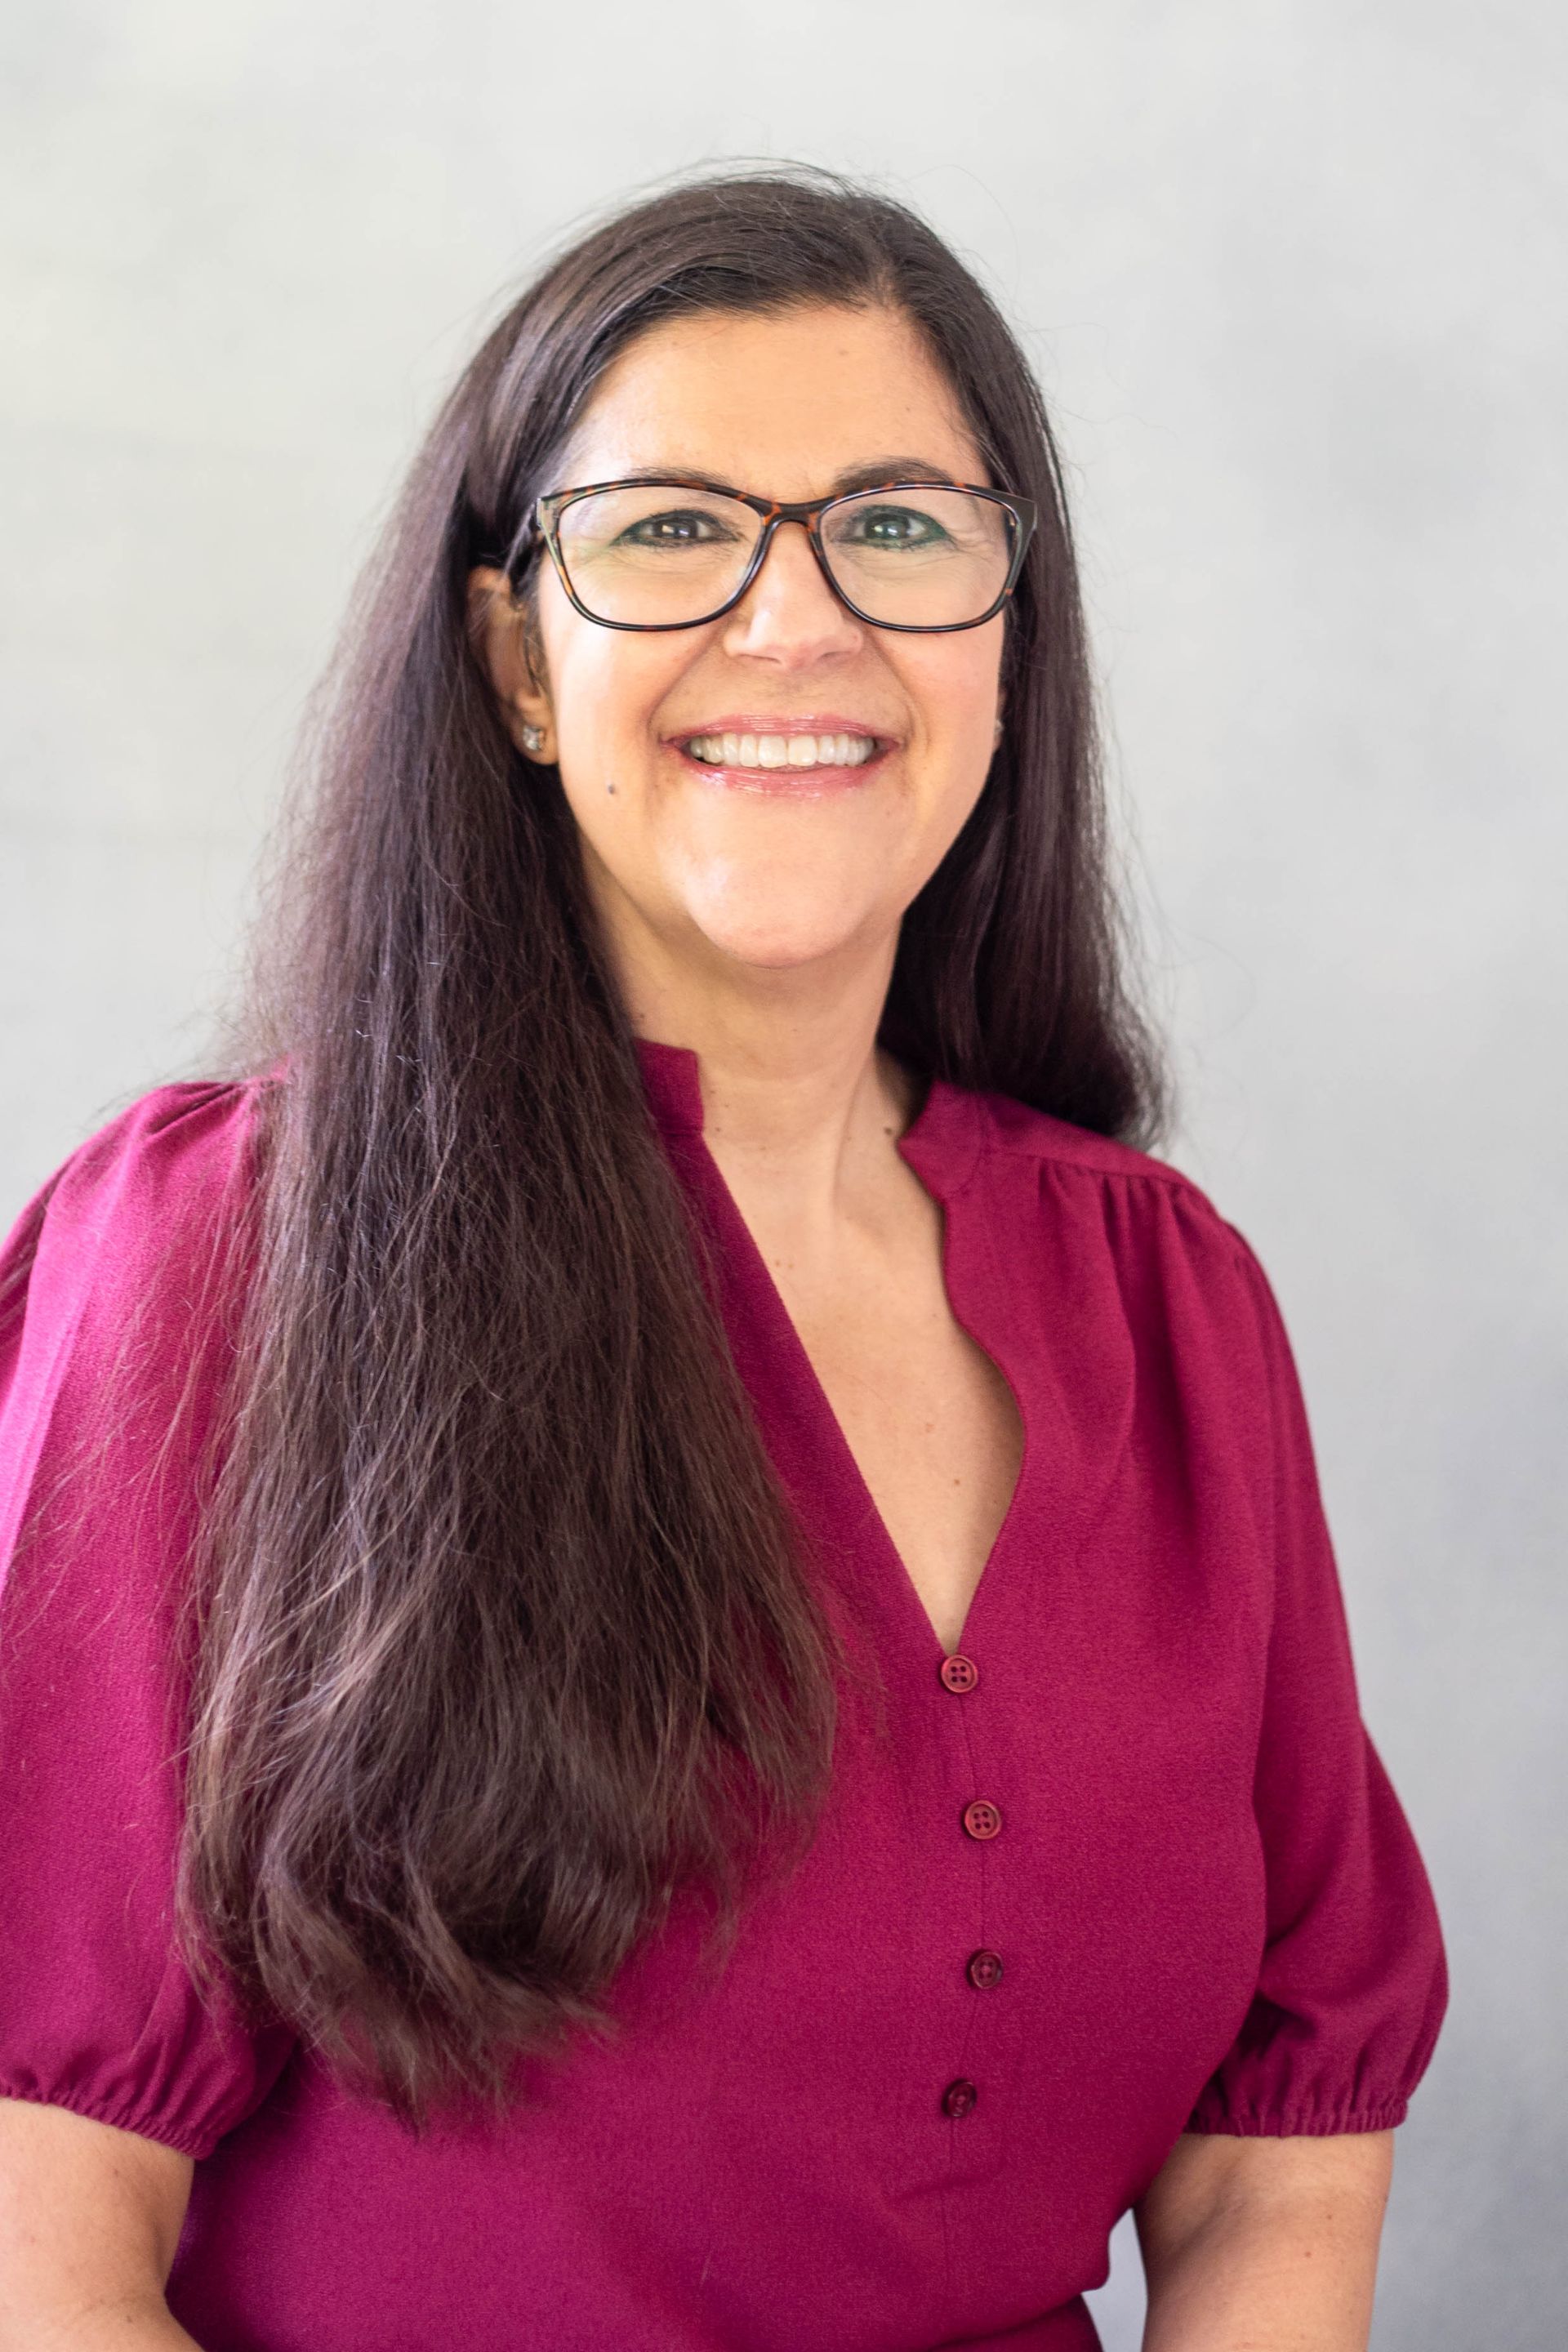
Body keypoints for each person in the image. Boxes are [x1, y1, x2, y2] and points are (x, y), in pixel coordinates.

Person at [0, 165, 1446, 2352]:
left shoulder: (1170, 1306)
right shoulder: (219, 1266)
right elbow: (34, 2228)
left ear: (1004, 639)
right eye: (672, 528)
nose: (800, 624)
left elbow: (1279, 2161)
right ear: (512, 658)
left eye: (898, 526)